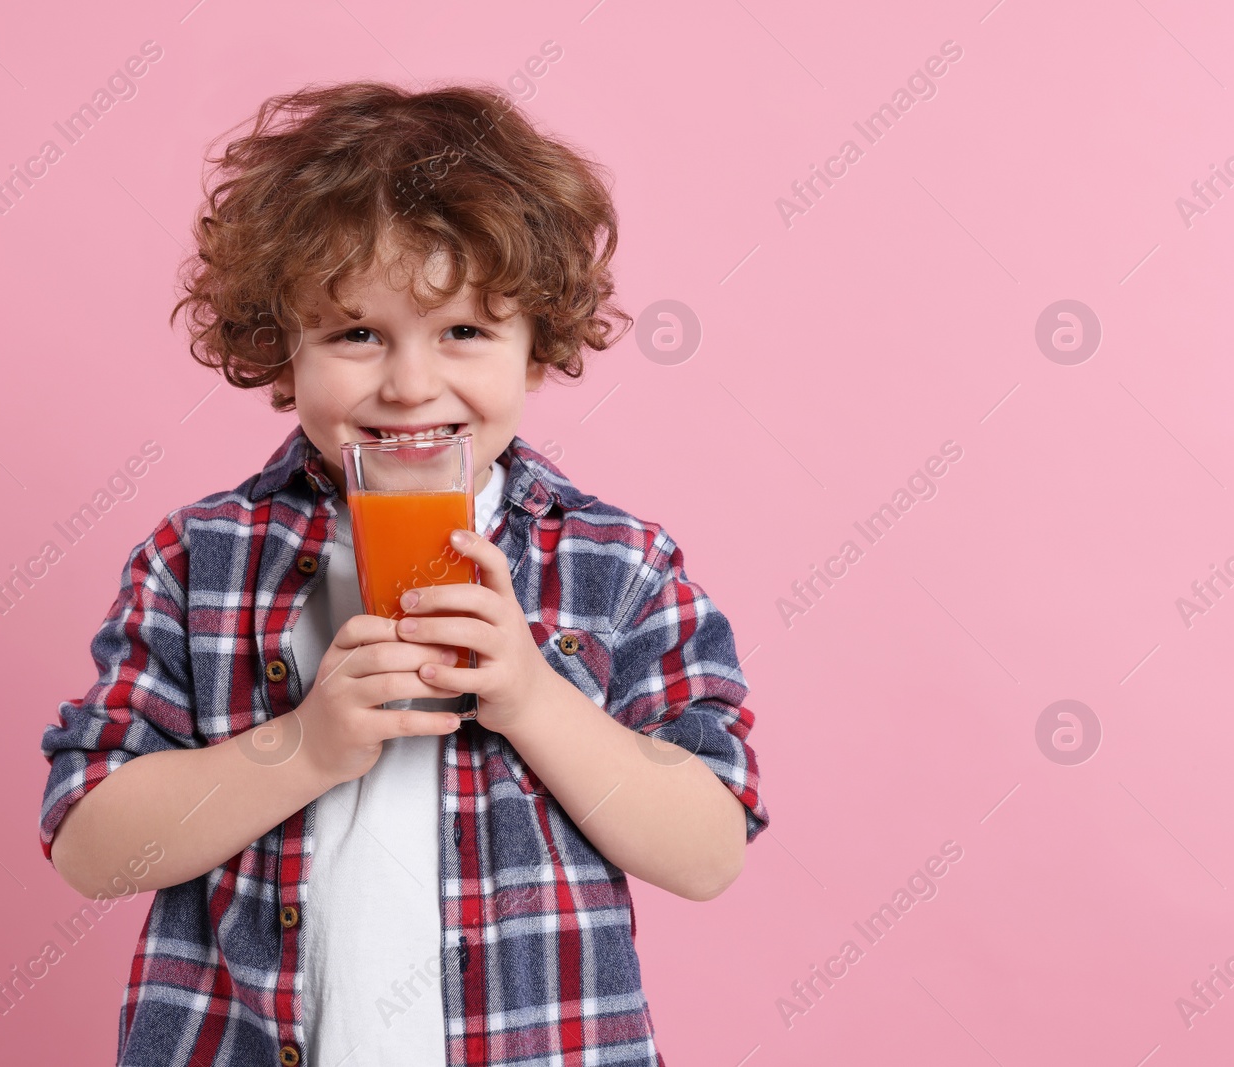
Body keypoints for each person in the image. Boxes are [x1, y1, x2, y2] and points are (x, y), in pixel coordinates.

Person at [38, 80, 768, 1067]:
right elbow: (91, 844)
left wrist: (529, 696)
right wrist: (304, 745)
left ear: (535, 346)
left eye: (464, 330)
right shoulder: (199, 559)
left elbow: (707, 849)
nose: (411, 383)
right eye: (355, 332)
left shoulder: (616, 567)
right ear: (281, 350)